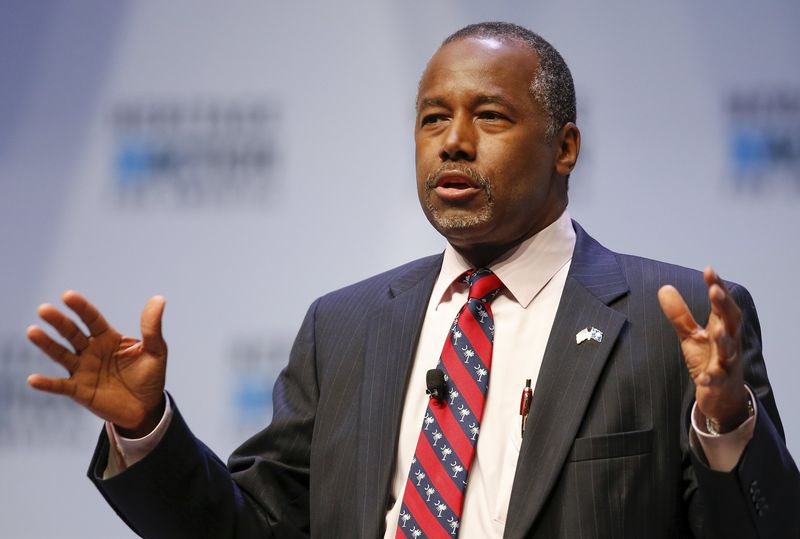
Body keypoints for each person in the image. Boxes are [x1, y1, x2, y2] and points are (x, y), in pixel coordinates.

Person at [27, 22, 799, 538]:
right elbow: (251, 527)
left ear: (565, 147)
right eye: (433, 119)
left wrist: (727, 422)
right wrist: (145, 428)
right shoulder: (346, 326)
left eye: (489, 117)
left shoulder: (675, 322)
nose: (453, 142)